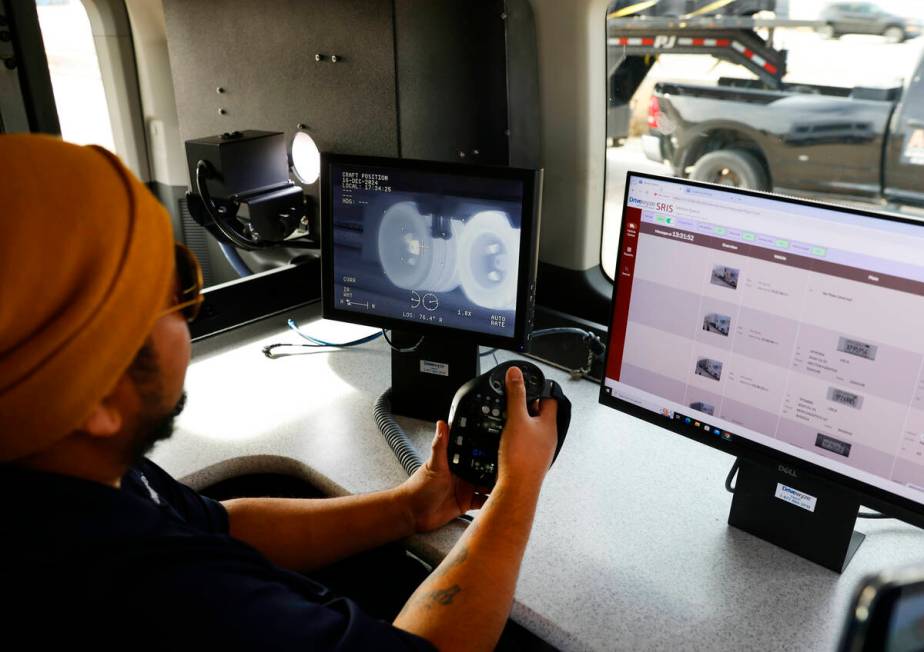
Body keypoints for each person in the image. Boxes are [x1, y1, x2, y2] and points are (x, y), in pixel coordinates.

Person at [0, 134, 560, 650]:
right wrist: (518, 489)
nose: (192, 314)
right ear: (93, 394)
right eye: (171, 299)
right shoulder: (150, 593)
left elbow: (220, 526)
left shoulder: (77, 479)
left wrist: (407, 508)